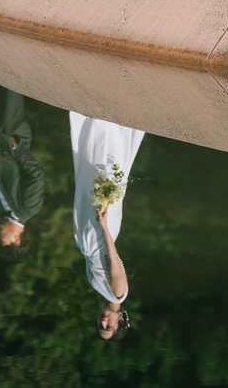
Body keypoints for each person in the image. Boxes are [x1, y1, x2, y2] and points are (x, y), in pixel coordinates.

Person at [70, 111, 145, 342]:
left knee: (84, 180)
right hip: (102, 234)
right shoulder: (118, 292)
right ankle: (106, 125)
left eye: (100, 325)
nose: (103, 321)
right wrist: (103, 226)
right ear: (120, 320)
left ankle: (93, 123)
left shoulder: (102, 293)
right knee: (100, 178)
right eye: (109, 326)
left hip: (87, 237)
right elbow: (113, 258)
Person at [0, 82, 45, 262]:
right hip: (11, 134)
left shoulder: (2, 209)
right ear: (16, 240)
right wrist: (17, 148)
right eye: (2, 242)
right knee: (12, 82)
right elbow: (37, 175)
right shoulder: (29, 209)